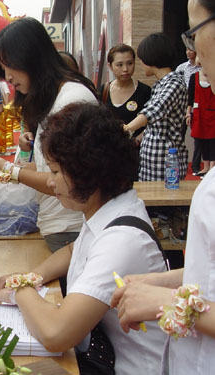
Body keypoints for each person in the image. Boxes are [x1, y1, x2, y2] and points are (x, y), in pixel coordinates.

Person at [0, 103, 168, 375]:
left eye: (56, 172)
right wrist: (33, 276)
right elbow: (74, 250)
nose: (50, 182)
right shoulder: (108, 212)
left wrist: (18, 288)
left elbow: (57, 332)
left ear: (89, 173)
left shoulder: (121, 241)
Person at [111, 1, 215, 373]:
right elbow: (209, 272)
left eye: (194, 30)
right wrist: (160, 282)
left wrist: (164, 302)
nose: (194, 56)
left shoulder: (171, 83)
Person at [0, 17, 97, 254]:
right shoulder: (53, 100)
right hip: (58, 224)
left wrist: (7, 171)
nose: (8, 77)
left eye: (9, 66)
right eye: (3, 70)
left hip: (72, 227)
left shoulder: (71, 100)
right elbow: (47, 170)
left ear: (30, 58)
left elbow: (66, 182)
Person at [123, 33, 188, 181]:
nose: (140, 64)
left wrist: (126, 129)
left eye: (140, 60)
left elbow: (153, 111)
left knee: (161, 201)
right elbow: (154, 123)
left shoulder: (174, 83)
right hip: (152, 160)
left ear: (150, 58)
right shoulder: (161, 84)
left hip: (165, 161)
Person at [99, 44, 151, 145]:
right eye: (119, 65)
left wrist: (136, 141)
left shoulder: (144, 91)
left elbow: (151, 123)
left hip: (135, 151)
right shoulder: (104, 90)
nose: (125, 69)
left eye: (130, 63)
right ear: (110, 66)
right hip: (108, 151)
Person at [186, 67, 215, 177]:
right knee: (200, 140)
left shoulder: (213, 75)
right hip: (199, 113)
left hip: (213, 112)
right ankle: (206, 166)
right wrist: (188, 113)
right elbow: (190, 97)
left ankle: (212, 167)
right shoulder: (194, 76)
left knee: (213, 141)